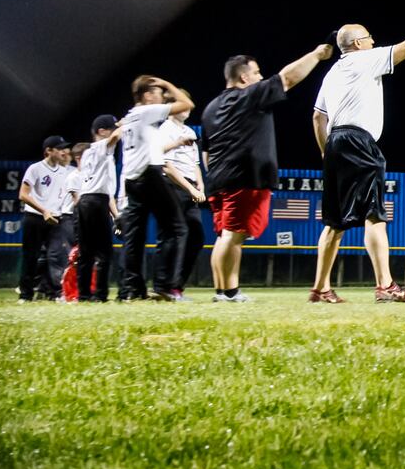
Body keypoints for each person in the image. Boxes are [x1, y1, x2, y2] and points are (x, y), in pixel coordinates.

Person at [308, 6, 405, 303]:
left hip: (335, 142)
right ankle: (386, 286)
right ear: (358, 43)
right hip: (359, 142)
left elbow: (317, 118)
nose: (374, 42)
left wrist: (328, 155)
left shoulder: (332, 73)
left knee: (334, 223)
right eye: (370, 38)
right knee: (374, 214)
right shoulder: (364, 59)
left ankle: (321, 288)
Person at [202, 44, 333, 302]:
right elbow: (287, 78)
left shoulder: (211, 108)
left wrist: (216, 175)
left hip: (218, 180)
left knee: (224, 235)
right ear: (244, 77)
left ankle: (222, 291)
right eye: (257, 73)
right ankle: (230, 292)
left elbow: (206, 153)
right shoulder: (248, 96)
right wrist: (317, 54)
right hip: (245, 178)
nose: (261, 78)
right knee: (233, 236)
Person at [118, 76, 194, 302]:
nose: (162, 95)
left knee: (135, 237)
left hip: (133, 179)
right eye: (158, 92)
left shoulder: (130, 116)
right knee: (177, 228)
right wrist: (168, 83)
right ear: (147, 95)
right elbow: (187, 104)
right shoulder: (145, 111)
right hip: (150, 174)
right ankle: (165, 286)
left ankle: (132, 289)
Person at [17, 135, 75, 300]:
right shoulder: (35, 169)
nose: (63, 151)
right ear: (48, 151)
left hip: (55, 219)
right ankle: (25, 295)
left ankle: (56, 293)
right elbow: (23, 194)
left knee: (56, 256)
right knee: (31, 257)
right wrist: (44, 211)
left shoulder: (64, 171)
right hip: (34, 217)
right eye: (59, 148)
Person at [160, 107, 206, 294]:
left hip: (191, 186)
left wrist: (200, 184)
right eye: (182, 105)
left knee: (196, 237)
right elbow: (167, 166)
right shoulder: (165, 129)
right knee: (176, 235)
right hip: (174, 186)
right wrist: (189, 188)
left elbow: (195, 163)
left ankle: (177, 285)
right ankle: (166, 286)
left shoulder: (189, 132)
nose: (187, 109)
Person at [76, 116, 122, 301]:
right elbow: (113, 138)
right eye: (110, 128)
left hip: (86, 201)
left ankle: (84, 295)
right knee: (104, 252)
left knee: (86, 252)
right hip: (96, 201)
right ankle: (100, 295)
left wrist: (115, 214)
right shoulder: (99, 147)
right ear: (101, 131)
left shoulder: (88, 152)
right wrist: (124, 123)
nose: (114, 131)